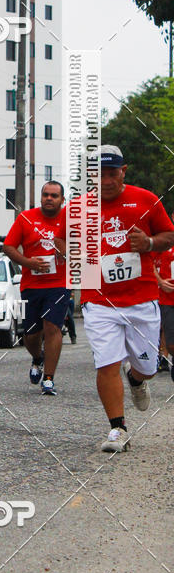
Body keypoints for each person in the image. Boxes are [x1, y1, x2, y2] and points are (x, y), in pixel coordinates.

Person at [81, 145, 174, 452]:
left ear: (124, 171)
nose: (106, 181)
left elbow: (169, 235)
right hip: (98, 300)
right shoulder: (81, 207)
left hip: (141, 298)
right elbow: (68, 247)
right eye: (99, 175)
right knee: (106, 363)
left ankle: (136, 379)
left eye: (112, 174)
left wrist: (148, 242)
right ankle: (117, 429)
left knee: (148, 367)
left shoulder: (146, 200)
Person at [3, 181, 67, 395]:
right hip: (31, 284)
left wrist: (66, 253)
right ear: (40, 197)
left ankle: (49, 378)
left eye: (54, 196)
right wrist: (27, 263)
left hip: (59, 284)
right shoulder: (26, 218)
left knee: (52, 327)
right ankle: (38, 357)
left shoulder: (70, 219)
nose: (49, 198)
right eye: (46, 195)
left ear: (62, 200)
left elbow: (84, 247)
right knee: (31, 334)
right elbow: (8, 246)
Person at [153, 237, 174, 382]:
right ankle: (163, 356)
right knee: (169, 339)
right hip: (167, 299)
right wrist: (160, 281)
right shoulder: (165, 240)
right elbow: (149, 262)